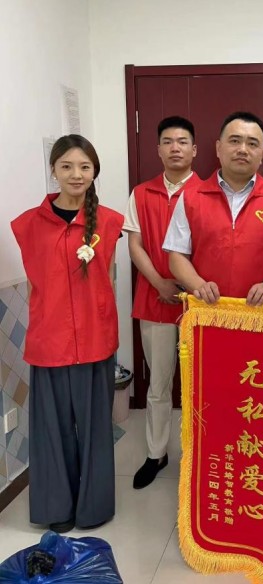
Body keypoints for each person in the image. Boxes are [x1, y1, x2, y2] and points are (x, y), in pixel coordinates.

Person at [11, 135, 124, 533]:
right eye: (67, 166)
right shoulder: (28, 224)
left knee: (95, 430)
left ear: (94, 172)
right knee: (52, 430)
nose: (76, 174)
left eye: (85, 167)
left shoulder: (109, 221)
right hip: (50, 342)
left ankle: (93, 508)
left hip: (95, 340)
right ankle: (56, 507)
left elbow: (107, 280)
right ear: (54, 170)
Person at [124, 116, 202, 489]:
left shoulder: (209, 193)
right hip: (154, 300)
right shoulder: (141, 193)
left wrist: (185, 285)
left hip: (198, 305)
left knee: (200, 385)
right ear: (158, 149)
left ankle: (198, 455)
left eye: (182, 141)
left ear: (195, 150)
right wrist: (159, 282)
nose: (175, 148)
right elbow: (134, 245)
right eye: (168, 141)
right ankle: (156, 453)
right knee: (158, 383)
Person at [164, 111, 263, 305]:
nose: (243, 149)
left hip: (262, 310)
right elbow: (176, 255)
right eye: (234, 141)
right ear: (218, 148)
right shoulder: (191, 197)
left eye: (252, 144)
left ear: (262, 154)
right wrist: (198, 285)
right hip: (206, 308)